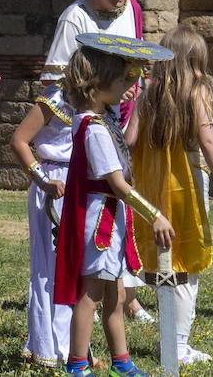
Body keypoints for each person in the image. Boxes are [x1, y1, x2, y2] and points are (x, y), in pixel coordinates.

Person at [52, 34, 174, 377]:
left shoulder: (100, 121)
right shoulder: (95, 130)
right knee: (91, 295)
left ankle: (122, 362)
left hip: (110, 218)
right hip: (100, 221)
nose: (127, 87)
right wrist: (155, 216)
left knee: (116, 295)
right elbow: (117, 185)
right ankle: (77, 365)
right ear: (98, 84)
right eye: (122, 80)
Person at [43, 0, 152, 323]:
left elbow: (134, 65)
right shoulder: (75, 17)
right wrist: (89, 118)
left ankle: (126, 294)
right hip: (89, 124)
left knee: (119, 215)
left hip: (121, 118)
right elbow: (57, 81)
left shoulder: (133, 10)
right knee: (105, 205)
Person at [126, 24, 213, 365]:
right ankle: (176, 345)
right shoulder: (198, 92)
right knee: (186, 266)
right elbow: (208, 141)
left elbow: (130, 141)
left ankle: (166, 339)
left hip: (153, 188)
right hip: (188, 186)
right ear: (195, 62)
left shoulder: (149, 92)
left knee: (162, 263)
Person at [9, 69, 76, 367]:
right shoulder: (55, 98)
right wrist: (43, 180)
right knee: (49, 265)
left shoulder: (98, 100)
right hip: (53, 183)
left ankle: (71, 345)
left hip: (79, 183)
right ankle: (46, 345)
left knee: (74, 267)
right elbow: (19, 141)